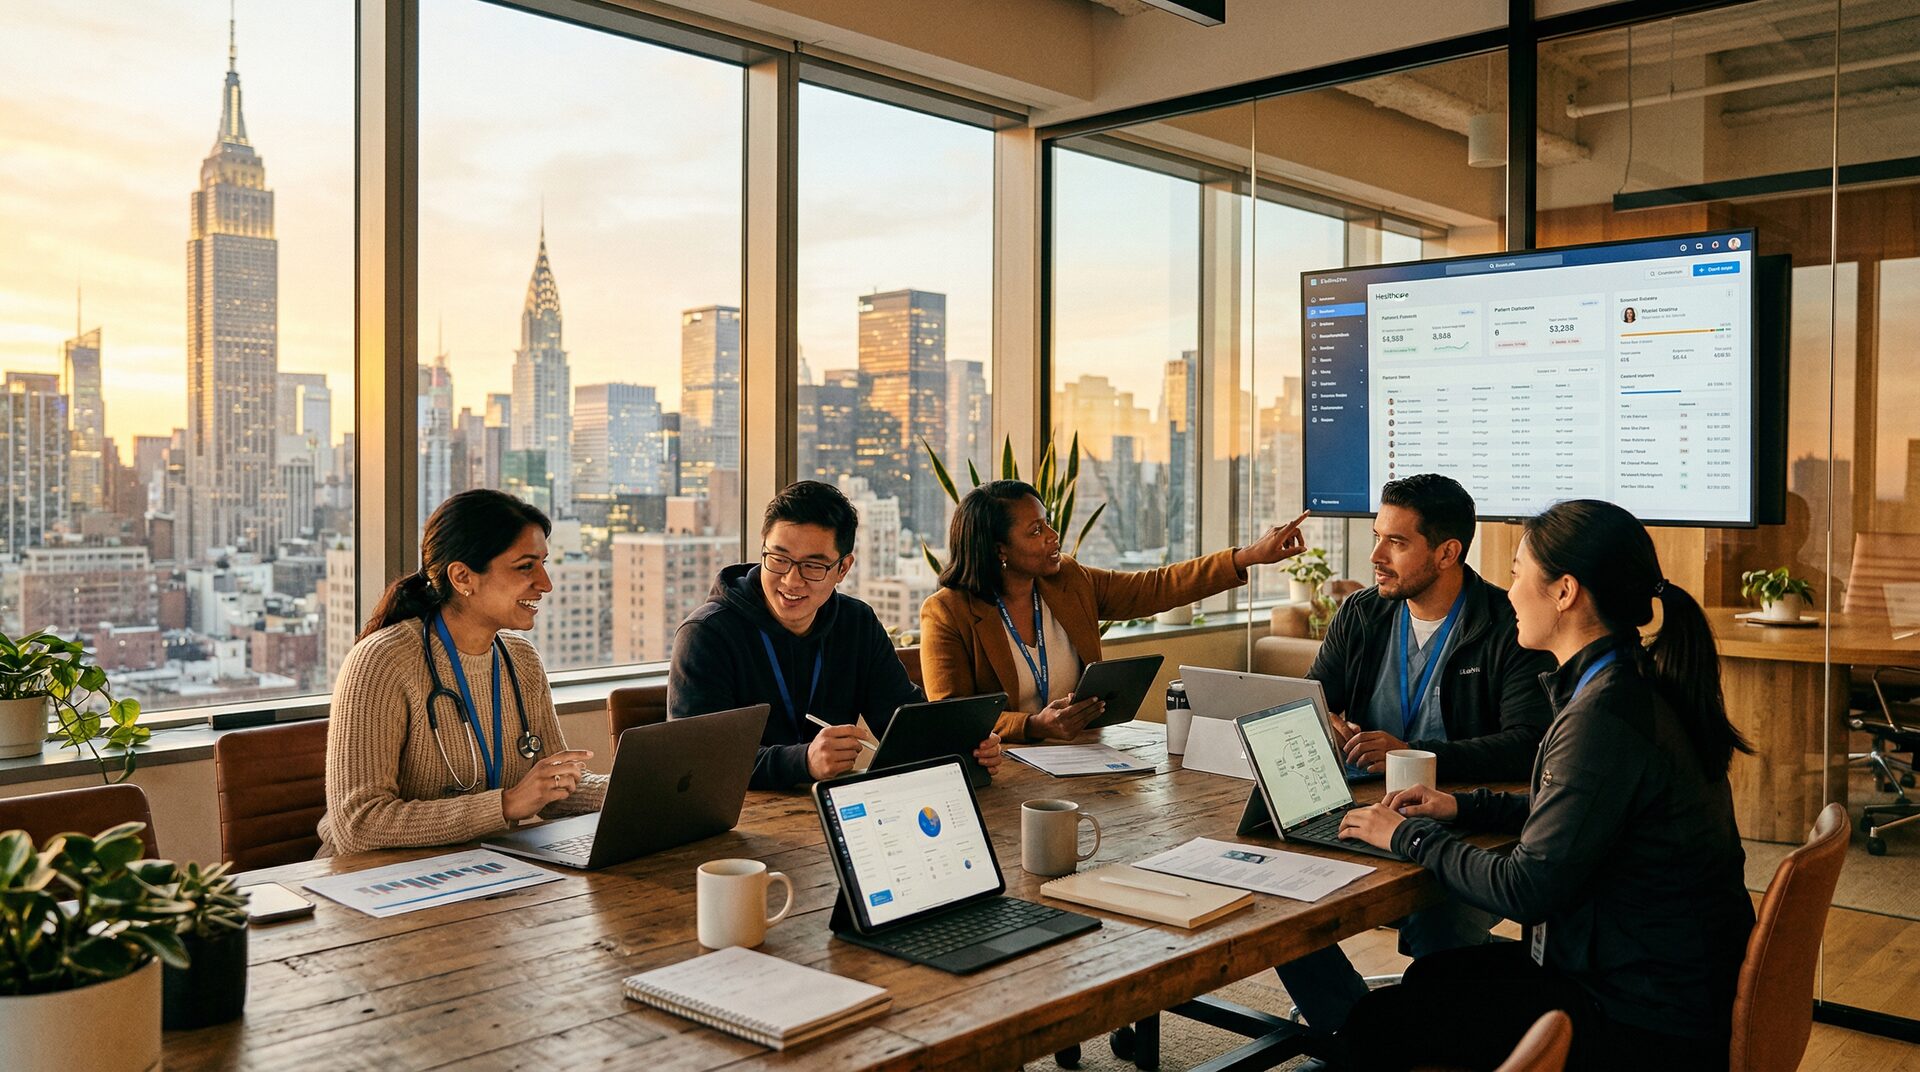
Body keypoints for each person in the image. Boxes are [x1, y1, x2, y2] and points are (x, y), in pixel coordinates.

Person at [1328, 499, 1755, 1070]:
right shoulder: (1627, 684)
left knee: (1373, 1026)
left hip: (1639, 1019)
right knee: (1434, 976)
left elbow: (1525, 887)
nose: (1508, 594)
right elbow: (1579, 808)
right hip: (1661, 985)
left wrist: (1407, 836)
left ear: (1564, 592)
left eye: (1516, 574)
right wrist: (1461, 807)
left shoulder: (1603, 716)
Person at [1275, 473, 1556, 1035]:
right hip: (1359, 809)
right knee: (1276, 898)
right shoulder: (1362, 613)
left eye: (1396, 542)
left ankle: (1429, 1038)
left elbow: (1527, 742)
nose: (1376, 556)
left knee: (1438, 923)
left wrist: (1414, 752)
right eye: (1377, 537)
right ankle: (1353, 1029)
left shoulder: (1508, 624)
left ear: (1447, 552)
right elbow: (1311, 697)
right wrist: (1322, 720)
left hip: (1464, 821)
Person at [318, 490, 603, 857]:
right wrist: (505, 805)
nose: (546, 583)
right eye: (525, 566)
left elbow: (554, 789)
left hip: (482, 866)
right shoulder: (382, 661)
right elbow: (357, 825)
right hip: (374, 878)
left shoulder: (521, 659)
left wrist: (646, 785)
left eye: (544, 563)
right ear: (463, 576)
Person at [669, 481, 1002, 791]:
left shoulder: (856, 623)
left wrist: (966, 745)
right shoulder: (706, 635)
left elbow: (903, 722)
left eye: (813, 566)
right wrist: (802, 761)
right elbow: (699, 759)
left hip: (834, 806)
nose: (791, 580)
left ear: (843, 568)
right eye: (779, 559)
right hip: (740, 817)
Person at [920, 479, 1307, 743]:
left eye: (1048, 523)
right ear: (998, 549)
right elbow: (953, 718)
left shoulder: (1067, 579)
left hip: (1084, 755)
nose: (1053, 536)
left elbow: (1153, 588)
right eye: (1036, 531)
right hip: (1004, 769)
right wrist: (1034, 726)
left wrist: (1247, 557)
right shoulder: (947, 612)